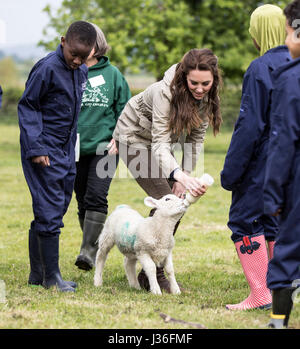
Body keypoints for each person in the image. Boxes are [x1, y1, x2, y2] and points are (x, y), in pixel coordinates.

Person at [110, 48, 222, 292]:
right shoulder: (165, 91)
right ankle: (155, 272)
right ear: (184, 77)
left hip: (158, 143)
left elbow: (196, 138)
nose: (200, 88)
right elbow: (160, 142)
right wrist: (177, 174)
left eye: (206, 83)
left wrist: (185, 177)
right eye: (194, 83)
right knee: (166, 198)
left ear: (214, 79)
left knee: (177, 200)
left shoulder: (207, 96)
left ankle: (149, 268)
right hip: (133, 137)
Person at [220, 4, 291, 310]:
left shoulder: (260, 68)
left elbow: (250, 126)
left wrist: (231, 171)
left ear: (258, 31)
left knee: (244, 221)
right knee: (273, 222)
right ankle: (280, 289)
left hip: (263, 160)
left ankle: (261, 293)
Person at [18, 21, 97, 292]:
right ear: (63, 41)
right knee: (49, 209)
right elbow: (28, 106)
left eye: (82, 56)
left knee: (55, 207)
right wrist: (36, 148)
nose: (76, 60)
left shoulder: (80, 71)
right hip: (44, 148)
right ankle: (52, 278)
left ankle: (37, 275)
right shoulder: (47, 68)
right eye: (73, 54)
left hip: (66, 149)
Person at [74, 24, 131, 271]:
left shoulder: (113, 75)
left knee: (97, 196)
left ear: (97, 44)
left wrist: (119, 138)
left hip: (105, 148)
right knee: (82, 199)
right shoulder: (70, 70)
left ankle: (87, 252)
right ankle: (92, 245)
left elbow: (127, 110)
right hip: (73, 148)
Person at [263, 0, 300, 329]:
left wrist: (273, 194)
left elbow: (284, 142)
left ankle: (278, 322)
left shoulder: (292, 79)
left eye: (289, 32)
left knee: (287, 249)